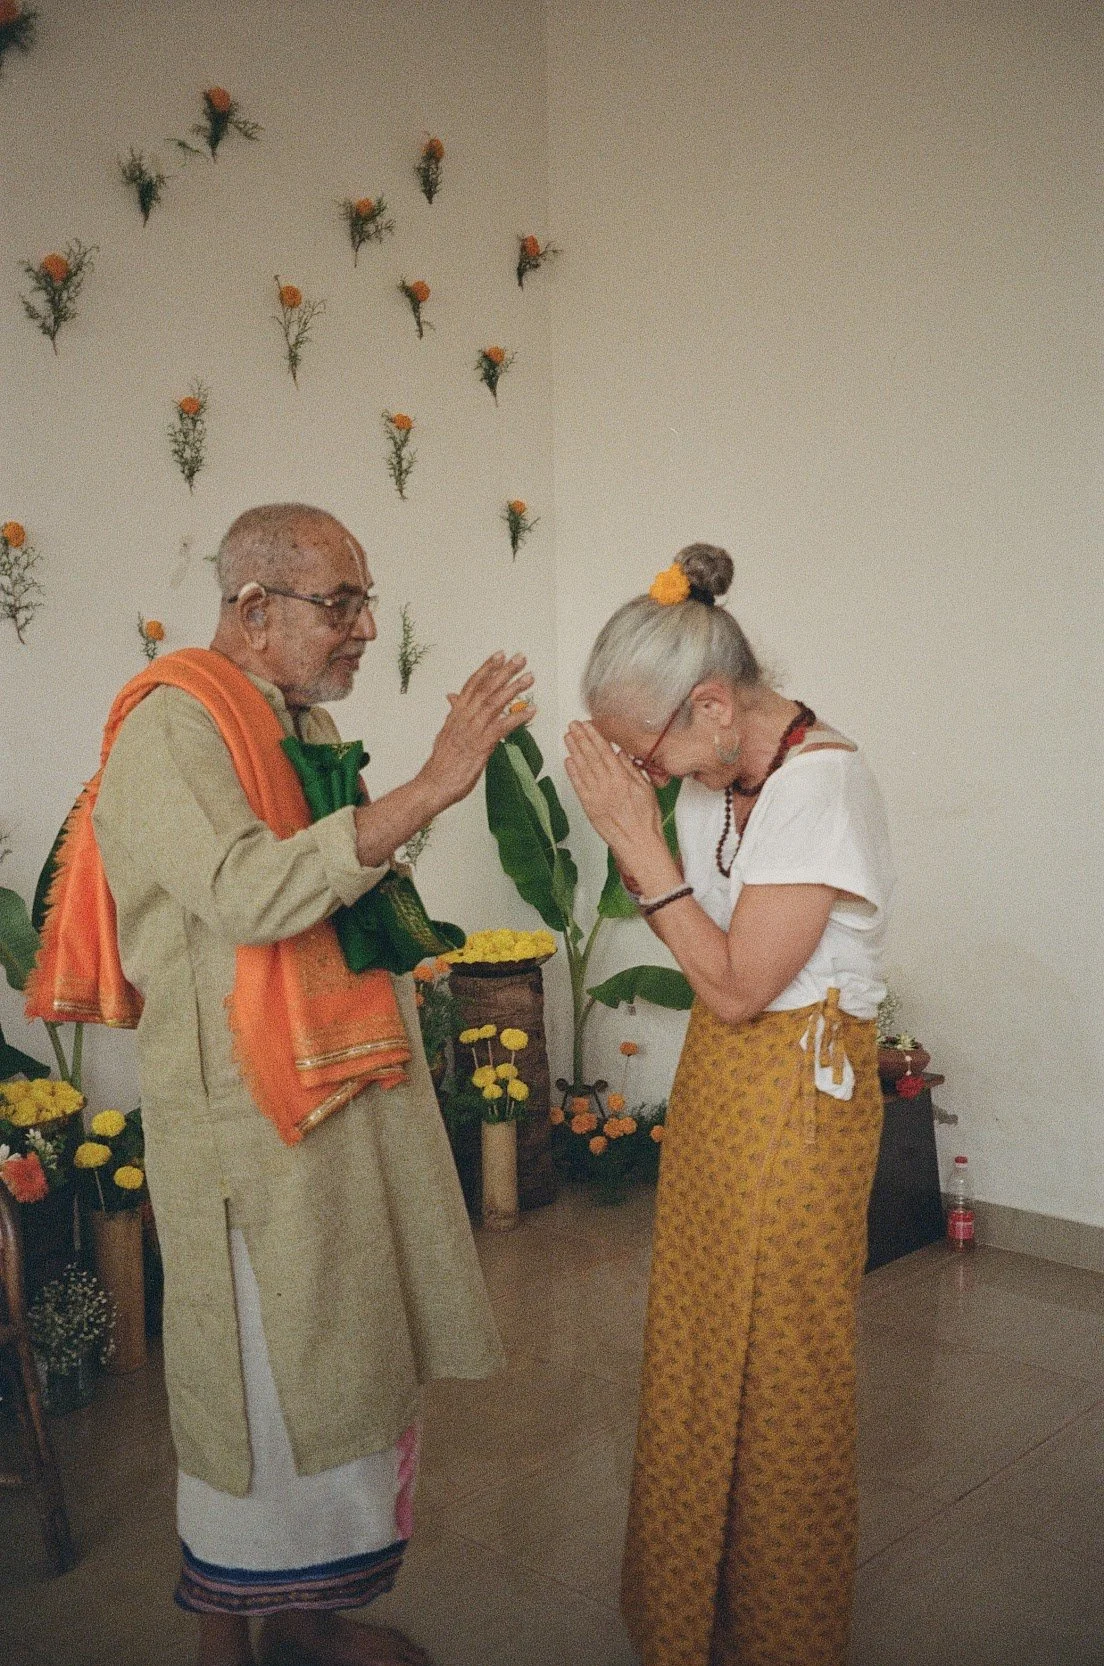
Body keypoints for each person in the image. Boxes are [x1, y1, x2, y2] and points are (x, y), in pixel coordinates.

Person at [28, 504, 533, 1666]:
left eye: (365, 600)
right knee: (262, 1393)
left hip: (338, 1107)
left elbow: (334, 889)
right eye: (340, 603)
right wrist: (428, 787)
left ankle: (310, 1620)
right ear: (254, 609)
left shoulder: (292, 718)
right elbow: (252, 892)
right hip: (252, 1133)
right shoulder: (171, 725)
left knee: (348, 1367)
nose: (365, 628)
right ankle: (229, 1642)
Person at [563, 543, 895, 1666]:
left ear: (712, 706)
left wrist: (635, 839)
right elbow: (708, 962)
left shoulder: (820, 785)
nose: (642, 773)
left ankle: (783, 1630)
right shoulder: (721, 775)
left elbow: (745, 985)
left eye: (643, 749)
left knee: (784, 1365)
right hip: (721, 1082)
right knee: (701, 1343)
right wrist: (646, 833)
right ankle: (690, 1614)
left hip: (797, 1094)